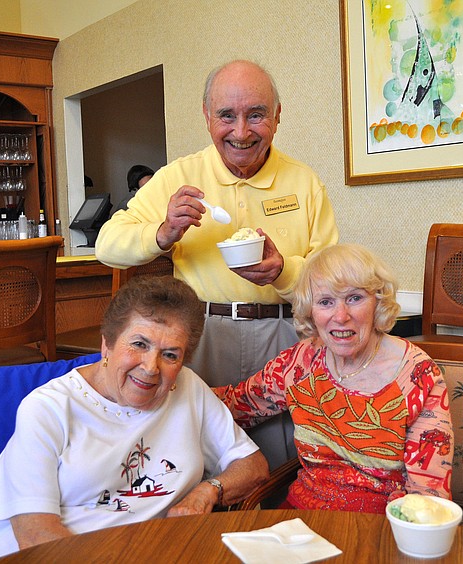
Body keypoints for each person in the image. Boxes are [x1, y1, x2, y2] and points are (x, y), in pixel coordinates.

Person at [95, 60, 339, 468]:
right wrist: (163, 232)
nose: (241, 132)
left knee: (284, 457)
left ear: (277, 117)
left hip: (284, 335)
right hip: (201, 337)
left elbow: (330, 278)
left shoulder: (305, 182)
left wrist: (284, 272)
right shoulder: (180, 176)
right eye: (227, 115)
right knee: (194, 456)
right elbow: (107, 244)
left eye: (256, 115)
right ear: (208, 117)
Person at [0, 275, 269, 562]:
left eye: (170, 355)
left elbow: (253, 466)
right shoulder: (47, 408)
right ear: (107, 345)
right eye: (139, 344)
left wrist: (208, 491)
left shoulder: (188, 388)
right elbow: (34, 534)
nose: (151, 367)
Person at [215, 244, 453, 513]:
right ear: (311, 311)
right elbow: (237, 404)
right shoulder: (302, 362)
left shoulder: (417, 374)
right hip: (298, 519)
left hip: (381, 525)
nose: (341, 317)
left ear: (378, 302)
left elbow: (429, 495)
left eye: (354, 298)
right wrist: (175, 388)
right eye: (326, 302)